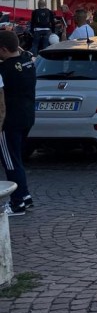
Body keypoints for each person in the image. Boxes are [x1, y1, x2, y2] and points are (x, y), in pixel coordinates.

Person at [0, 29, 35, 217]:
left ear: (4, 49)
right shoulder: (28, 62)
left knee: (10, 162)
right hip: (27, 117)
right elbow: (22, 53)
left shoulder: (4, 70)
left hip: (9, 121)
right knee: (16, 159)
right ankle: (25, 196)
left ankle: (17, 203)